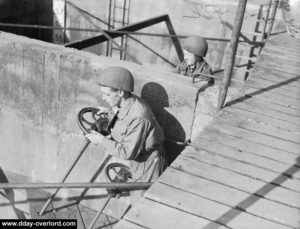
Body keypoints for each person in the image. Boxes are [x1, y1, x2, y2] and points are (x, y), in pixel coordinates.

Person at [85, 66, 167, 204]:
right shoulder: (126, 102)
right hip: (139, 162)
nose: (103, 98)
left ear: (121, 92)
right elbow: (123, 118)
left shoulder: (139, 116)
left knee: (141, 205)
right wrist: (109, 112)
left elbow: (127, 152)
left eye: (107, 94)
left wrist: (101, 140)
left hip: (149, 165)